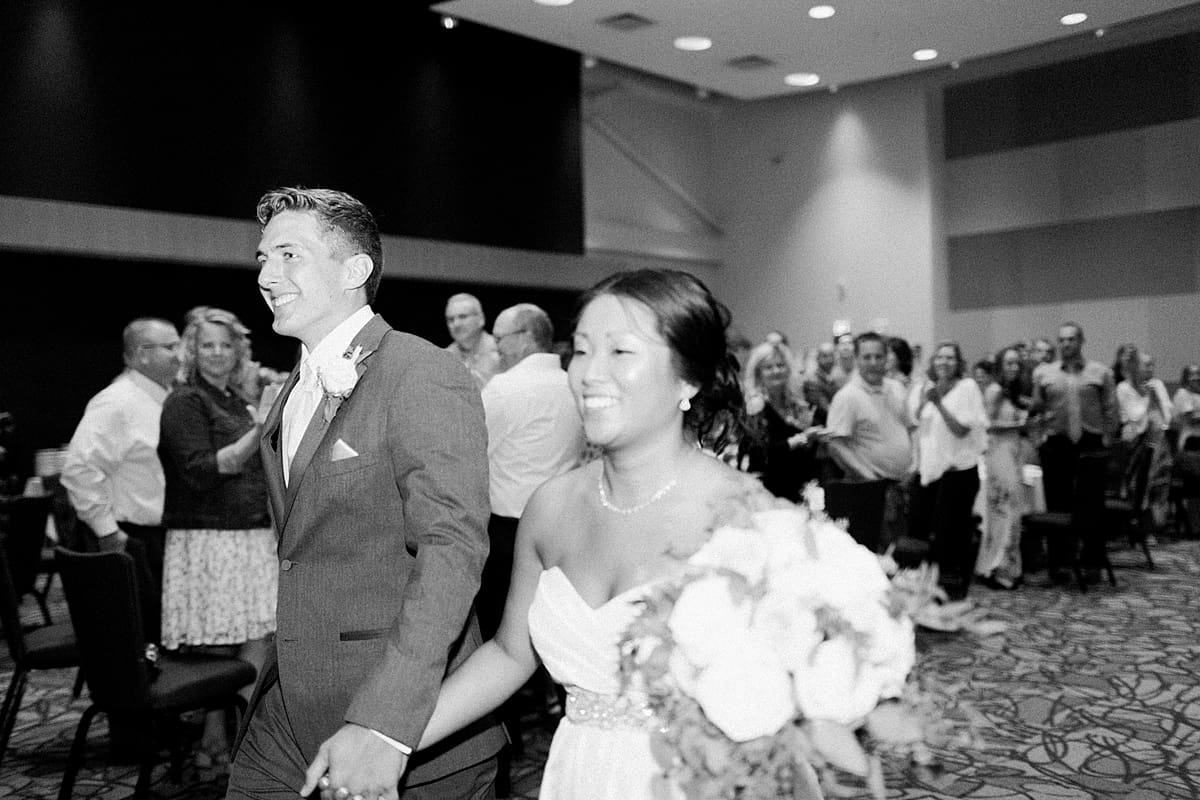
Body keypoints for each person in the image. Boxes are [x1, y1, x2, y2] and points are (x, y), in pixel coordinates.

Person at [399, 269, 821, 800]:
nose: (589, 374)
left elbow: (789, 710)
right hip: (580, 770)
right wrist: (389, 738)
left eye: (620, 352)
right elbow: (511, 655)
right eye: (580, 350)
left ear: (689, 378)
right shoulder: (551, 506)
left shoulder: (749, 520)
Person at [229, 187, 505, 800]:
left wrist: (386, 723)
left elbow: (452, 550)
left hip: (404, 722)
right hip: (289, 704)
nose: (267, 275)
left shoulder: (420, 371)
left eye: (288, 256)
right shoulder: (294, 385)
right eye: (262, 259)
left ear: (355, 270)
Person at [157, 307, 278, 766]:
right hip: (210, 540)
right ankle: (241, 742)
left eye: (227, 345)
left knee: (254, 639)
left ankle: (221, 739)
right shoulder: (184, 401)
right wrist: (259, 426)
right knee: (219, 648)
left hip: (248, 535)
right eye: (207, 345)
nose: (218, 354)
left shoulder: (231, 397)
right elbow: (206, 471)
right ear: (191, 350)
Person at [59, 316, 181, 761]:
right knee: (135, 641)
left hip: (157, 535)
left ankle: (162, 727)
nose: (179, 353)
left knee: (158, 636)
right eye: (168, 346)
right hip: (130, 538)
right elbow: (77, 470)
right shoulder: (117, 402)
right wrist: (108, 533)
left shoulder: (163, 399)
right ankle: (134, 743)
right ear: (138, 355)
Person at [478, 303, 585, 639]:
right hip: (565, 526)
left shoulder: (504, 388)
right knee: (551, 626)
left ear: (525, 337)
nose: (496, 349)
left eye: (500, 339)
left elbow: (475, 452)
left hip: (508, 534)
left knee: (502, 630)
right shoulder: (574, 386)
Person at [1029, 322, 1118, 581]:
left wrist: (1108, 440)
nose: (1066, 344)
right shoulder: (1043, 374)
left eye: (1071, 339)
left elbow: (1111, 409)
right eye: (1062, 340)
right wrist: (1038, 434)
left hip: (1091, 443)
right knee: (1057, 504)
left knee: (1092, 505)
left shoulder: (1100, 372)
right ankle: (1060, 564)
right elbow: (1036, 408)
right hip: (1057, 443)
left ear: (1081, 341)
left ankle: (1092, 563)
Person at [908, 342, 988, 599]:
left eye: (950, 358)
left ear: (959, 362)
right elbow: (918, 423)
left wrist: (939, 404)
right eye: (939, 357)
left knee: (949, 534)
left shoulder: (967, 388)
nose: (944, 362)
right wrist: (925, 402)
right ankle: (925, 588)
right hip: (930, 471)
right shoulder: (929, 388)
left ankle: (951, 591)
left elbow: (962, 429)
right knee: (922, 529)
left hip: (958, 473)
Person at [975, 346, 1028, 590]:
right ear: (1000, 366)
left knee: (1011, 510)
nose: (1014, 368)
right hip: (999, 452)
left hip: (1014, 450)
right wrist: (1014, 424)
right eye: (1009, 363)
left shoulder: (1015, 392)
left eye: (1017, 363)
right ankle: (998, 567)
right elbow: (986, 424)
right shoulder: (995, 390)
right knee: (1003, 510)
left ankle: (1009, 565)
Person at [740, 340, 817, 502]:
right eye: (769, 367)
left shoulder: (796, 403)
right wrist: (799, 439)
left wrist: (811, 440)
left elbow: (804, 452)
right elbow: (760, 452)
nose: (776, 371)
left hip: (799, 486)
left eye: (780, 365)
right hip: (770, 489)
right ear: (758, 372)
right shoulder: (755, 405)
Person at [445, 293, 502, 388]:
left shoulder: (501, 351)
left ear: (481, 319)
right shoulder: (445, 357)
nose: (456, 324)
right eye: (451, 319)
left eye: (462, 317)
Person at [802, 342, 838, 426]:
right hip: (820, 428)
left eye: (831, 355)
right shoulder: (812, 381)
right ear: (817, 358)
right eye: (825, 356)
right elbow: (825, 408)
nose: (829, 359)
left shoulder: (831, 378)